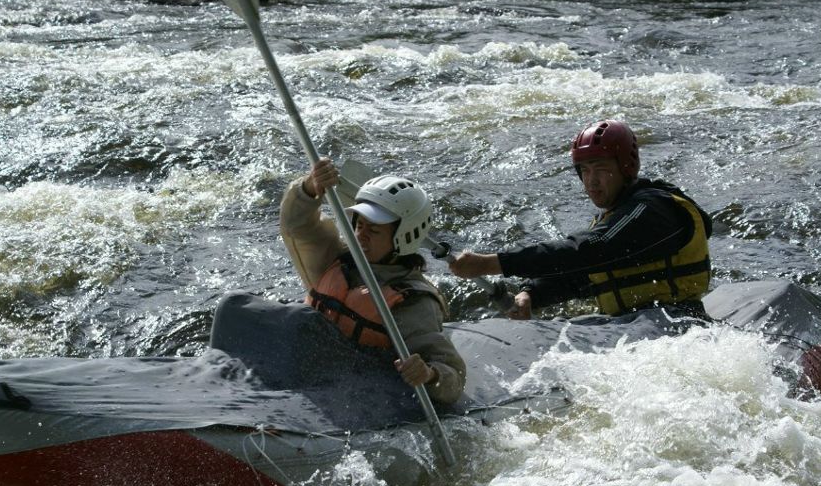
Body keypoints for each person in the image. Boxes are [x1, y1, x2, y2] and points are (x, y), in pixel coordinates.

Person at [448, 119, 713, 320]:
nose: (591, 181)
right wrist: (532, 293)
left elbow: (588, 250)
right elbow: (583, 276)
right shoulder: (614, 218)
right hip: (632, 324)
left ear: (626, 168)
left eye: (601, 169)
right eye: (584, 171)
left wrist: (493, 263)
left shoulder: (650, 210)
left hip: (675, 320)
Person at [279, 157, 466, 405]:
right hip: (303, 371)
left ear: (402, 239)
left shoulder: (414, 303)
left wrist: (429, 375)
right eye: (359, 225)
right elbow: (295, 226)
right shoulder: (335, 259)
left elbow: (453, 377)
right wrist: (310, 187)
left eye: (374, 230)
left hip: (356, 397)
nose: (361, 236)